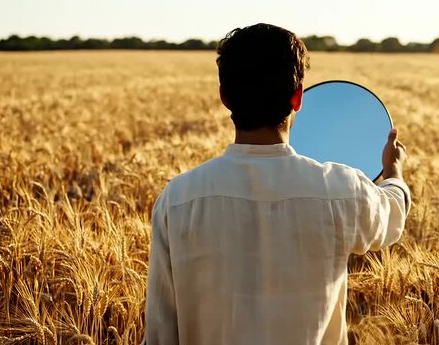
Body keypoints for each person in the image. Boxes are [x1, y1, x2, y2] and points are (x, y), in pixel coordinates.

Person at [144, 23, 410, 345]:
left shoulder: (178, 199)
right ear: (297, 98)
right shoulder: (341, 190)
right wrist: (393, 172)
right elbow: (391, 215)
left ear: (225, 97)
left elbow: (160, 332)